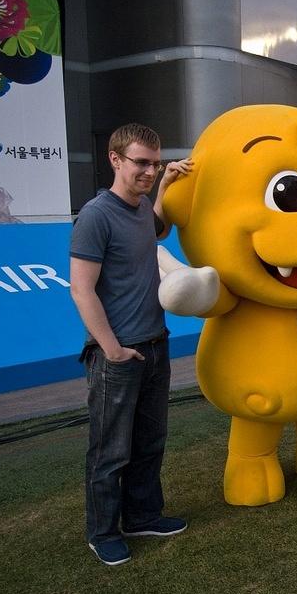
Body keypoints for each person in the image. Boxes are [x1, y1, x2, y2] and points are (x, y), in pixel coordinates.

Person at [69, 123, 193, 566]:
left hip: (156, 345)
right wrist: (113, 350)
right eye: (141, 162)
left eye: (154, 163)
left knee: (149, 441)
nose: (148, 170)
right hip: (117, 355)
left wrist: (165, 183)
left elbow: (155, 231)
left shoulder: (141, 208)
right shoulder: (95, 216)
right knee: (110, 450)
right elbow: (81, 289)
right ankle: (102, 531)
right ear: (115, 159)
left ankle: (142, 515)